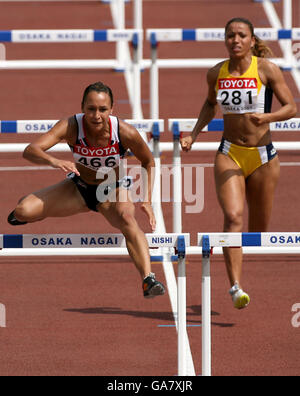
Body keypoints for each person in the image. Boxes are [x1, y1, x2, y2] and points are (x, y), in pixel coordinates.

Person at [7, 81, 165, 299]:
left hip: (112, 191)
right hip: (78, 189)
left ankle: (148, 279)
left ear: (112, 110)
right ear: (82, 107)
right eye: (91, 109)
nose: (96, 116)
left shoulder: (125, 131)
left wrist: (147, 200)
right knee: (22, 211)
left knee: (128, 219)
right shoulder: (71, 126)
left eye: (102, 110)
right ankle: (30, 205)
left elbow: (149, 162)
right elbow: (30, 150)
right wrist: (54, 161)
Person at [181, 18, 297, 309]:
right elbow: (210, 105)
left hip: (263, 157)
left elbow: (291, 107)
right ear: (225, 40)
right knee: (233, 217)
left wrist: (267, 118)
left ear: (251, 40)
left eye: (241, 35)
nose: (235, 40)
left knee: (258, 232)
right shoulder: (216, 73)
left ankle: (242, 253)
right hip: (229, 153)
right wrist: (193, 136)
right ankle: (235, 286)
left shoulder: (267, 69)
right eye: (230, 35)